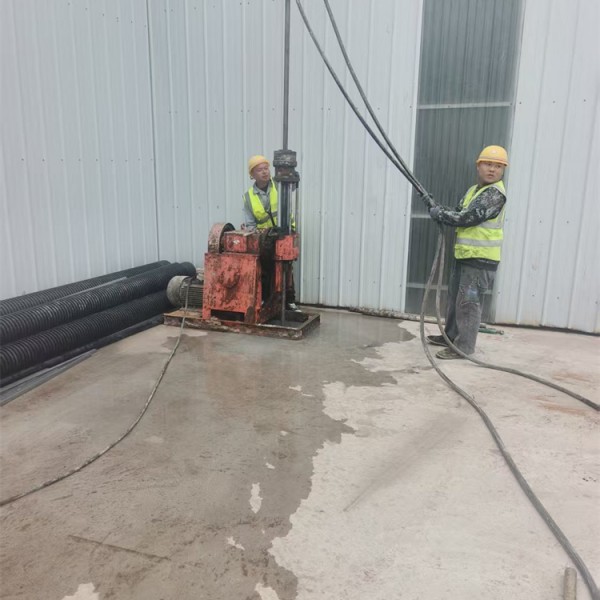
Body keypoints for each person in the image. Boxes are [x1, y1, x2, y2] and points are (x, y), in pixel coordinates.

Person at [427, 145, 508, 359]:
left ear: (503, 170)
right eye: (488, 164)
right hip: (465, 256)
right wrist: (438, 208)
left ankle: (464, 347)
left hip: (480, 261)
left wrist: (440, 214)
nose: (492, 169)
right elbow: (459, 211)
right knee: (456, 299)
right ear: (478, 166)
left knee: (468, 304)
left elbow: (468, 218)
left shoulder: (494, 194)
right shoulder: (474, 191)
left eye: (498, 166)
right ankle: (451, 337)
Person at [243, 154, 299, 310]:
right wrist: (259, 236)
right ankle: (266, 301)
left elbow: (293, 187)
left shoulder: (279, 184)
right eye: (260, 170)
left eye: (266, 168)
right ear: (252, 175)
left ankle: (289, 301)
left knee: (286, 267)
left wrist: (293, 177)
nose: (264, 172)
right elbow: (250, 224)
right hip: (265, 239)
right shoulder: (248, 197)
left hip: (284, 232)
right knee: (266, 270)